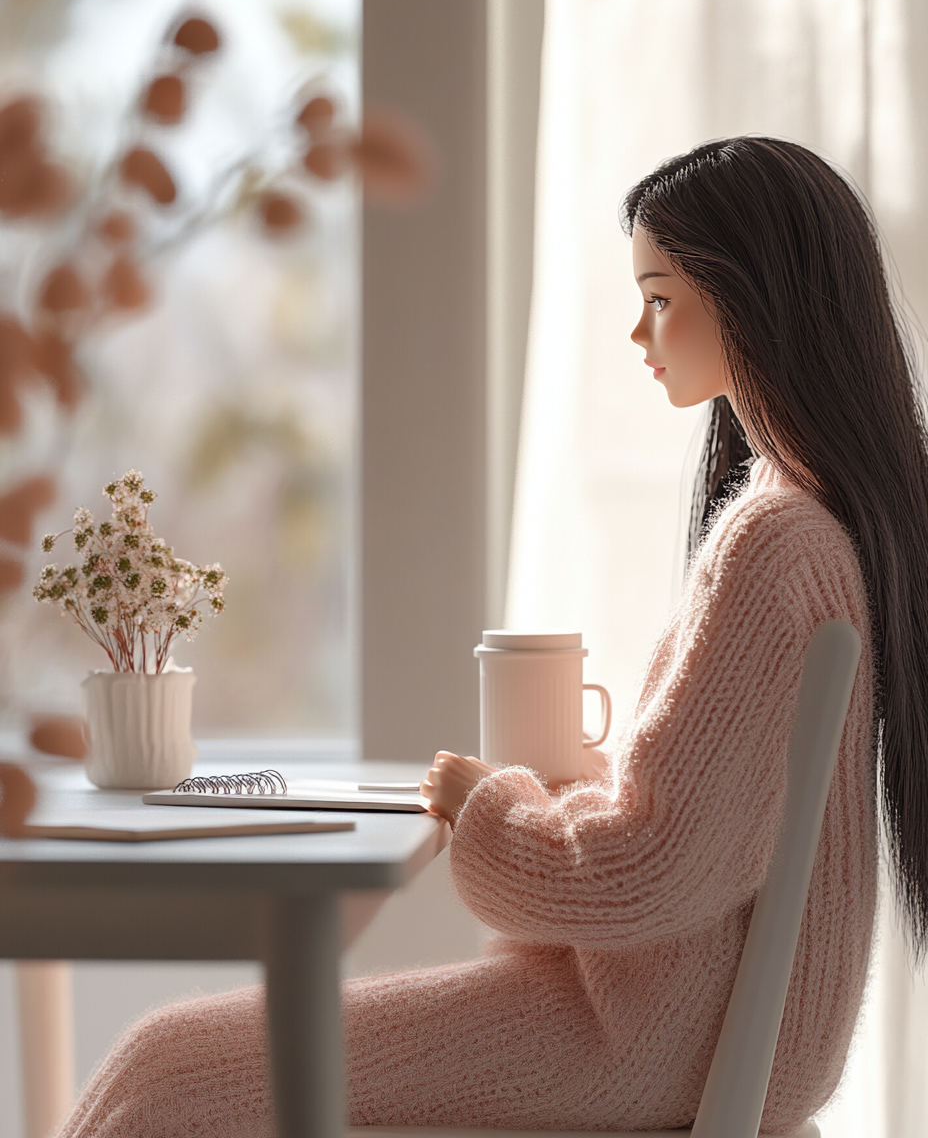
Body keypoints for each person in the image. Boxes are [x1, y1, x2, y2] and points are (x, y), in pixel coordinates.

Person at [57, 137, 928, 1137]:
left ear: (751, 297)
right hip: (699, 1026)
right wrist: (564, 784)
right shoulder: (818, 527)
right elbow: (705, 829)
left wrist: (492, 806)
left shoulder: (774, 540)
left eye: (658, 297)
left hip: (651, 1035)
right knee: (167, 1060)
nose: (637, 333)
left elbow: (653, 865)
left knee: (166, 1070)